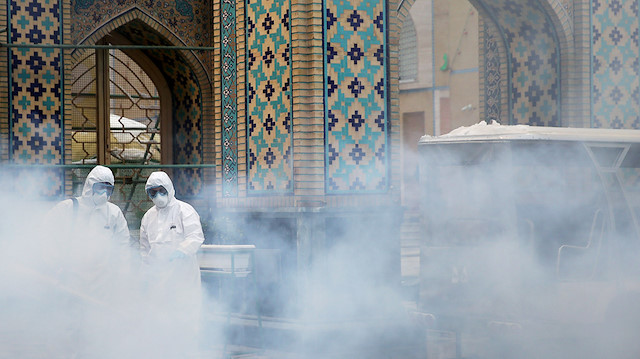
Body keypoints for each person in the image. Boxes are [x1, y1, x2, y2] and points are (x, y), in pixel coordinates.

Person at [138, 171, 205, 356]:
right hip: (158, 278)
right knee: (159, 320)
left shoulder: (185, 210)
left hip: (183, 276)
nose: (158, 196)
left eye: (161, 190)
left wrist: (181, 251)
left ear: (169, 188)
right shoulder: (148, 217)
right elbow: (145, 250)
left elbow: (196, 236)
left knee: (186, 319)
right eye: (153, 192)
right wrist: (145, 275)